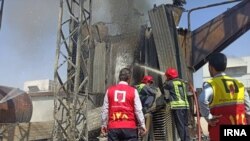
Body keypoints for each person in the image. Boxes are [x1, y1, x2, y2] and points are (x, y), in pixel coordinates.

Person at [198, 52, 250, 141]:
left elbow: (202, 100)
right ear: (224, 67)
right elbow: (248, 109)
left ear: (211, 67)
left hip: (219, 130)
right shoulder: (239, 84)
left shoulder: (212, 84)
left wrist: (208, 117)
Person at [101, 67, 147, 141]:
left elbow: (105, 110)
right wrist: (142, 125)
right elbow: (138, 110)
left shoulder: (109, 91)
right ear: (129, 78)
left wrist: (103, 125)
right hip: (130, 129)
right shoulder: (133, 91)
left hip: (113, 128)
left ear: (119, 77)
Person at [163, 68, 190, 141]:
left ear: (169, 76)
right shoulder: (182, 82)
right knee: (185, 125)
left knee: (180, 126)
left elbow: (164, 86)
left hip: (178, 107)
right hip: (185, 106)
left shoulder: (170, 83)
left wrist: (167, 80)